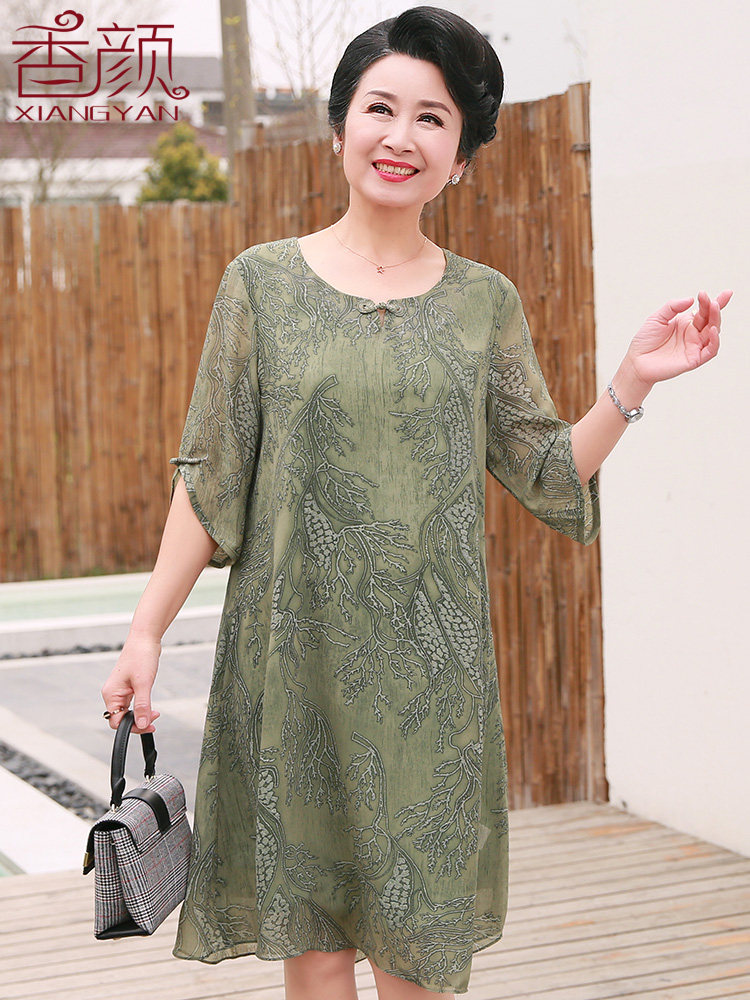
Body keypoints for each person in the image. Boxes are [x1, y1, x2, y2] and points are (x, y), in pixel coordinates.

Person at [100, 6, 731, 998]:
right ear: (340, 125)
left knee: (418, 964)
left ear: (462, 158)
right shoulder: (259, 286)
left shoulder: (485, 303)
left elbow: (547, 471)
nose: (401, 136)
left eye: (433, 118)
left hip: (432, 686)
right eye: (380, 107)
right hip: (295, 668)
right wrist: (146, 633)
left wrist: (632, 382)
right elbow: (211, 476)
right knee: (316, 957)